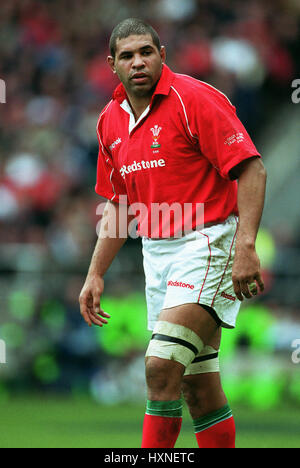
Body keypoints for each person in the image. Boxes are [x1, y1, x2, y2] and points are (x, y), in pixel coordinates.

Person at [79, 18, 267, 449]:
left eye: (146, 51)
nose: (138, 62)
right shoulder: (109, 121)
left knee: (160, 366)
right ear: (113, 65)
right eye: (127, 56)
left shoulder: (193, 98)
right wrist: (95, 273)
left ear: (162, 55)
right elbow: (119, 204)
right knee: (197, 388)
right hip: (156, 253)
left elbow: (252, 168)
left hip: (208, 243)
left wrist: (246, 246)